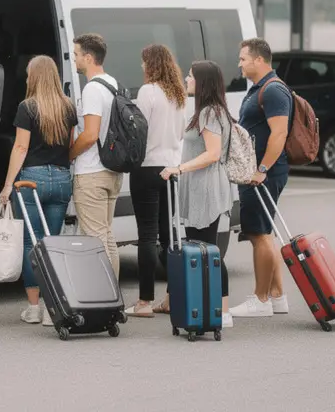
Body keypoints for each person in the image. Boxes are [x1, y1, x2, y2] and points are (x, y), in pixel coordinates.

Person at [0, 55, 77, 326]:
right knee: (51, 243)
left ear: (35, 77)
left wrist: (8, 184)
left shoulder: (27, 107)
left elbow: (20, 148)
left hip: (32, 180)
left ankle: (33, 308)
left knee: (32, 244)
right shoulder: (68, 106)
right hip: (62, 178)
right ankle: (50, 307)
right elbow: (71, 144)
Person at [157, 61, 235, 329]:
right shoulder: (208, 111)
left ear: (202, 82)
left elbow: (212, 154)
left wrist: (179, 168)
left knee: (208, 249)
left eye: (190, 76)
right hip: (201, 185)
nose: (186, 80)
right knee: (203, 247)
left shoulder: (209, 113)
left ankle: (223, 310)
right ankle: (210, 306)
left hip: (206, 187)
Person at [230, 37, 291, 318]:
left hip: (264, 173)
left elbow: (279, 134)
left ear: (258, 60)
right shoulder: (259, 88)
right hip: (258, 172)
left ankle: (261, 299)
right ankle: (277, 297)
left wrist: (262, 170)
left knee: (258, 234)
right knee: (263, 233)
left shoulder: (273, 90)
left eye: (243, 59)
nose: (239, 63)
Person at [125, 44, 186, 318]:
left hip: (147, 168)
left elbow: (139, 130)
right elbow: (182, 132)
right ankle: (173, 297)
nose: (141, 67)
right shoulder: (179, 95)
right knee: (169, 236)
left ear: (151, 64)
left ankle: (144, 302)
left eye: (143, 62)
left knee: (147, 237)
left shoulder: (147, 92)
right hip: (171, 169)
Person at [69, 33, 124, 278]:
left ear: (88, 57)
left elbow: (90, 134)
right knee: (106, 235)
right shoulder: (113, 83)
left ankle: (106, 298)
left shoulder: (92, 89)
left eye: (77, 55)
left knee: (96, 238)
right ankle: (111, 297)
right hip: (112, 171)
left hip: (92, 172)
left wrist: (69, 154)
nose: (74, 59)